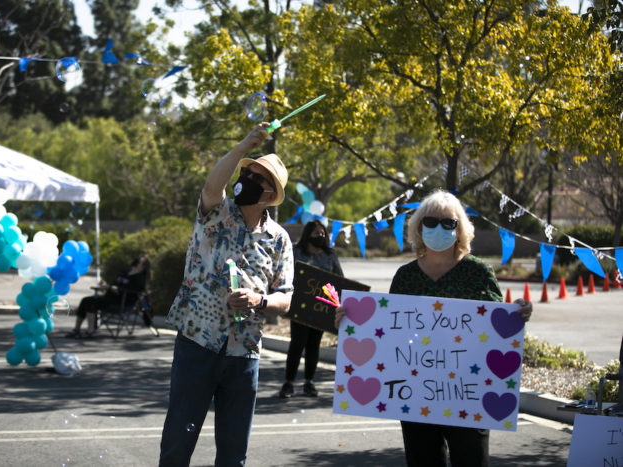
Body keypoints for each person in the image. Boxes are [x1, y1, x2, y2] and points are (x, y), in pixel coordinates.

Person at [335, 190, 533, 467]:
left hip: (468, 391)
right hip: (415, 393)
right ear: (418, 228)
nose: (438, 228)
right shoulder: (405, 276)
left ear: (460, 229)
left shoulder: (478, 273)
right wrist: (351, 324)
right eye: (430, 222)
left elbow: (497, 327)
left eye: (448, 223)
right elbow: (389, 335)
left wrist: (519, 313)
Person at [159, 123, 294, 466]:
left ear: (269, 194)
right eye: (246, 171)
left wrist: (258, 301)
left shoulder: (279, 239)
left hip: (244, 353)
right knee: (177, 444)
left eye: (256, 177)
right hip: (197, 344)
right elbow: (211, 184)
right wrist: (242, 148)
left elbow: (286, 298)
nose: (246, 178)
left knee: (234, 454)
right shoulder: (216, 212)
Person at [278, 219, 343, 399]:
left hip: (321, 308)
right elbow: (287, 273)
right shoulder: (297, 252)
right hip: (300, 306)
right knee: (297, 344)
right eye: (316, 234)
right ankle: (289, 382)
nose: (320, 237)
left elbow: (340, 279)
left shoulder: (330, 255)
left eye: (322, 234)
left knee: (314, 345)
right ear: (308, 235)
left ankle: (309, 382)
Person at [65, 255, 150, 338]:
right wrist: (106, 285)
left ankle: (90, 331)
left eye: (139, 261)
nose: (136, 262)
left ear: (143, 266)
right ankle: (77, 329)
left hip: (121, 302)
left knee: (90, 302)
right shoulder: (125, 273)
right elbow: (114, 285)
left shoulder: (139, 278)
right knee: (85, 300)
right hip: (109, 298)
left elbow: (132, 292)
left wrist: (117, 289)